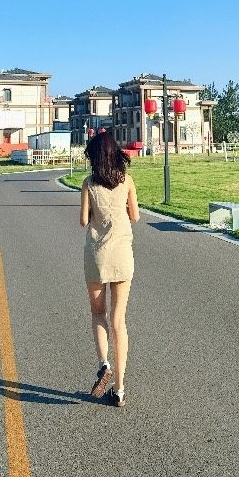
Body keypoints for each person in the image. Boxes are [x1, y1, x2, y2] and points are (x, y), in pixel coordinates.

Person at [80, 131, 140, 408]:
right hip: (122, 256)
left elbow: (83, 221)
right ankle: (119, 390)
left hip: (97, 257)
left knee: (98, 314)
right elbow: (135, 216)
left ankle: (104, 364)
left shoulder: (89, 183)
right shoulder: (127, 181)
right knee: (119, 321)